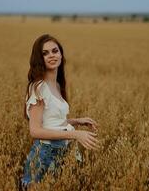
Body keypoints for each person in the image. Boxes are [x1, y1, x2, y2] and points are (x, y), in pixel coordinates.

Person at [21, 34, 99, 189]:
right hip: (44, 154)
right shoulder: (38, 87)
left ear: (61, 54)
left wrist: (75, 121)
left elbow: (50, 122)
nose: (51, 55)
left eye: (54, 51)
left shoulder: (56, 85)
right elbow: (35, 131)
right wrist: (75, 134)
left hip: (62, 151)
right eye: (45, 53)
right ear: (39, 59)